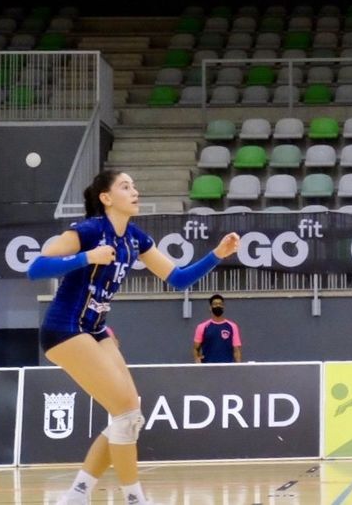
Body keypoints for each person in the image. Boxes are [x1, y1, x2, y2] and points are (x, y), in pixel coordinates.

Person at [30, 170, 238, 505]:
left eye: (135, 186)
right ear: (106, 198)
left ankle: (77, 494)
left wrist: (217, 255)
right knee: (126, 413)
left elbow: (179, 279)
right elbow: (36, 269)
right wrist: (87, 257)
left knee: (129, 412)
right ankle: (133, 498)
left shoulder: (134, 239)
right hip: (64, 328)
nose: (135, 191)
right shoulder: (87, 231)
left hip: (96, 330)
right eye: (125, 187)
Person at [193, 293, 242, 363]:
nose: (218, 306)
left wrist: (238, 367)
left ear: (223, 307)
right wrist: (197, 359)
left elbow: (237, 350)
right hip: (208, 368)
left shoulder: (232, 326)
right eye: (215, 304)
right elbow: (195, 348)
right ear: (210, 307)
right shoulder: (202, 327)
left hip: (227, 368)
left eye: (220, 304)